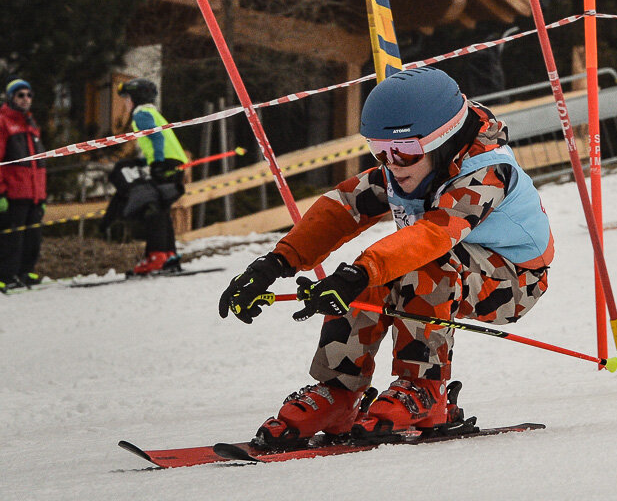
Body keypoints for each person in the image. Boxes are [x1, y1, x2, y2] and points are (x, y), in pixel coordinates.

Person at [218, 66, 553, 447]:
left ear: (442, 141)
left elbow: (433, 236)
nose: (392, 164)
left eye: (405, 151)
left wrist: (361, 272)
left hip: (514, 281)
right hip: (453, 262)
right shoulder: (411, 166)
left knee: (404, 264)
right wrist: (274, 263)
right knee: (367, 274)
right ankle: (339, 392)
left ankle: (424, 389)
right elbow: (344, 205)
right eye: (379, 150)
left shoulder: (486, 173)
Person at [118, 77, 188, 275]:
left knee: (153, 209)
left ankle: (157, 257)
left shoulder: (141, 114)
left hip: (165, 163)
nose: (126, 103)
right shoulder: (152, 112)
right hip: (174, 163)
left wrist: (157, 163)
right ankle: (169, 255)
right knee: (162, 209)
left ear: (136, 98)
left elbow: (156, 137)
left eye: (127, 98)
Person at [0, 79, 48, 292]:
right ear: (11, 98)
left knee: (33, 237)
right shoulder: (3, 122)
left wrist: (43, 195)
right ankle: (5, 275)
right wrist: (0, 193)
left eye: (29, 95)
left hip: (34, 193)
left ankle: (25, 272)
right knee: (11, 238)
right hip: (13, 193)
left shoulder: (31, 124)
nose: (25, 99)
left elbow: (39, 162)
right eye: (20, 95)